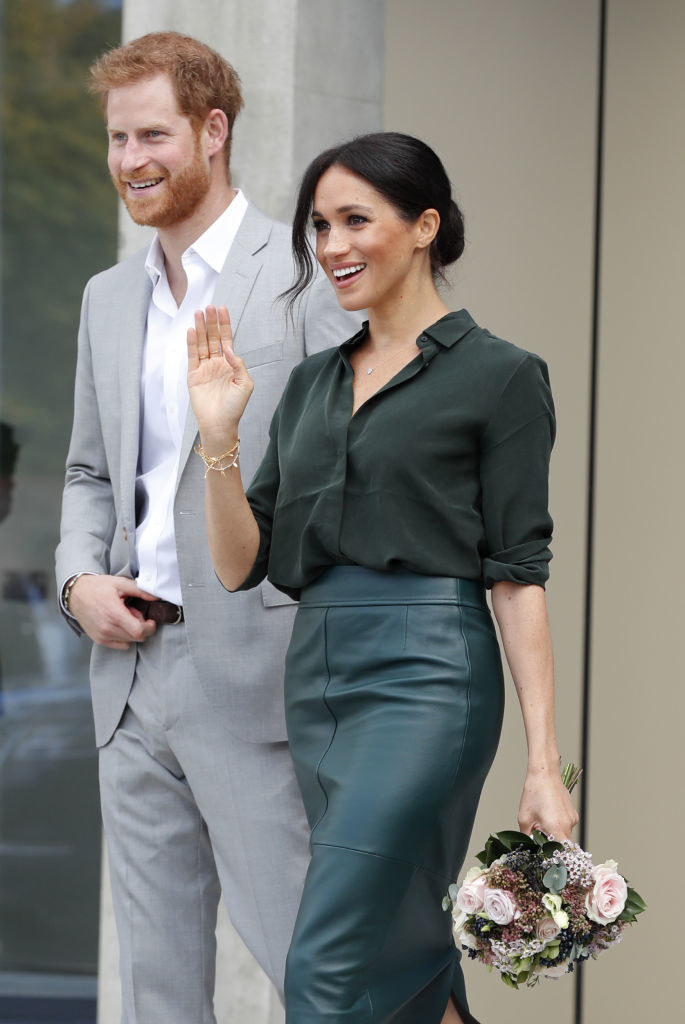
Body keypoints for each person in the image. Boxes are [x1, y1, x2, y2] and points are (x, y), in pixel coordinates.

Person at [186, 131, 579, 1023]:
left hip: (428, 677)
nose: (330, 247)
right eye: (319, 226)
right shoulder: (314, 383)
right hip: (319, 678)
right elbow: (240, 562)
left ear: (424, 226)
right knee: (397, 952)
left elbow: (517, 576)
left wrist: (543, 762)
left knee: (325, 969)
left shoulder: (501, 376)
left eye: (354, 220)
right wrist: (218, 440)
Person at [55, 31, 360, 1024]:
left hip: (260, 680)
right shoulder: (108, 299)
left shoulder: (306, 278)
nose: (131, 160)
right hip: (129, 680)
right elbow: (90, 472)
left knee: (317, 977)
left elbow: (357, 473)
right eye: (117, 138)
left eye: (153, 135)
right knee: (153, 999)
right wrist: (75, 581)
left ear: (213, 130)